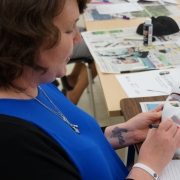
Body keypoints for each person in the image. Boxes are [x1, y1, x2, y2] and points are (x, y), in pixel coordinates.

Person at [0, 0, 180, 180]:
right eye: (69, 29)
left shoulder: (35, 80)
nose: (78, 38)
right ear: (25, 39)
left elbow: (70, 145)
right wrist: (150, 166)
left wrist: (127, 132)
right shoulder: (13, 144)